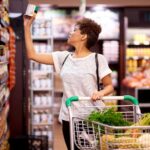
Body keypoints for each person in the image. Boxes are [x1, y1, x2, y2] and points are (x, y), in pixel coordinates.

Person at [24, 15, 114, 150]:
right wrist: (27, 27)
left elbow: (109, 86)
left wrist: (100, 93)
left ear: (83, 36)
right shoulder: (64, 57)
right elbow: (32, 55)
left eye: (74, 30)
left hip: (92, 116)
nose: (70, 32)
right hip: (69, 116)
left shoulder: (98, 59)